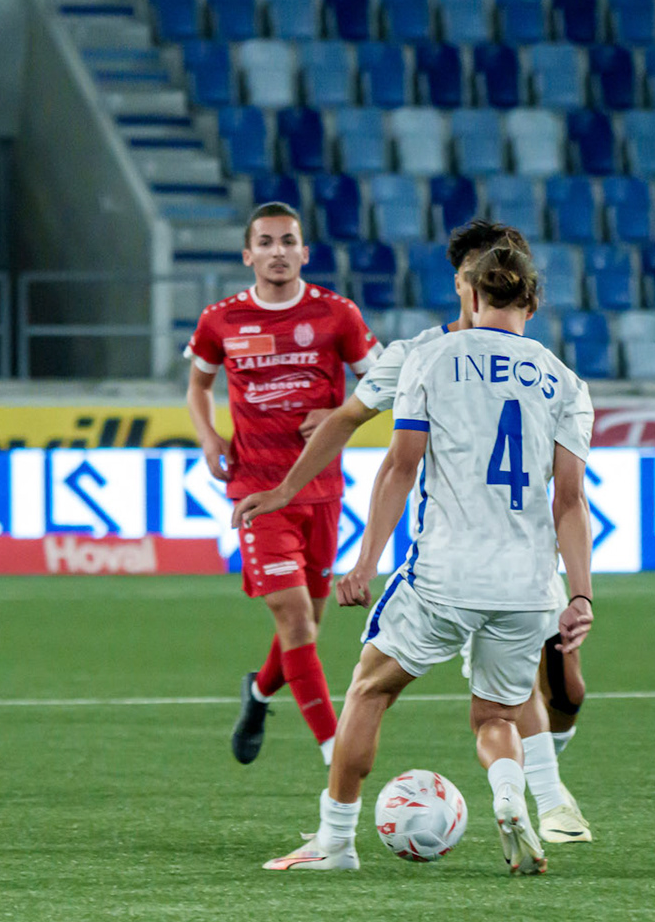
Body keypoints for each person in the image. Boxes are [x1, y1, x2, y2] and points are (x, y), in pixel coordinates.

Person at [233, 222, 595, 845]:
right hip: (529, 575)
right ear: (525, 300)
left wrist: (364, 561)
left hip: (447, 573)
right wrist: (582, 593)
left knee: (372, 688)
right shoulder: (562, 379)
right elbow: (571, 499)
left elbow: (399, 466)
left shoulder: (428, 359)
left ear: (475, 290)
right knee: (506, 707)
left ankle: (335, 839)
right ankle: (535, 796)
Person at [184, 201, 379, 769]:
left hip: (321, 491)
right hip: (256, 492)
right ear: (248, 255)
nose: (278, 252)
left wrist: (341, 414)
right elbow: (198, 386)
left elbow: (385, 383)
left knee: (308, 625)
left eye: (288, 241)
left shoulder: (337, 314)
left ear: (304, 253)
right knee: (295, 619)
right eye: (266, 242)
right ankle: (336, 753)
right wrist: (208, 437)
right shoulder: (220, 320)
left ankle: (260, 690)